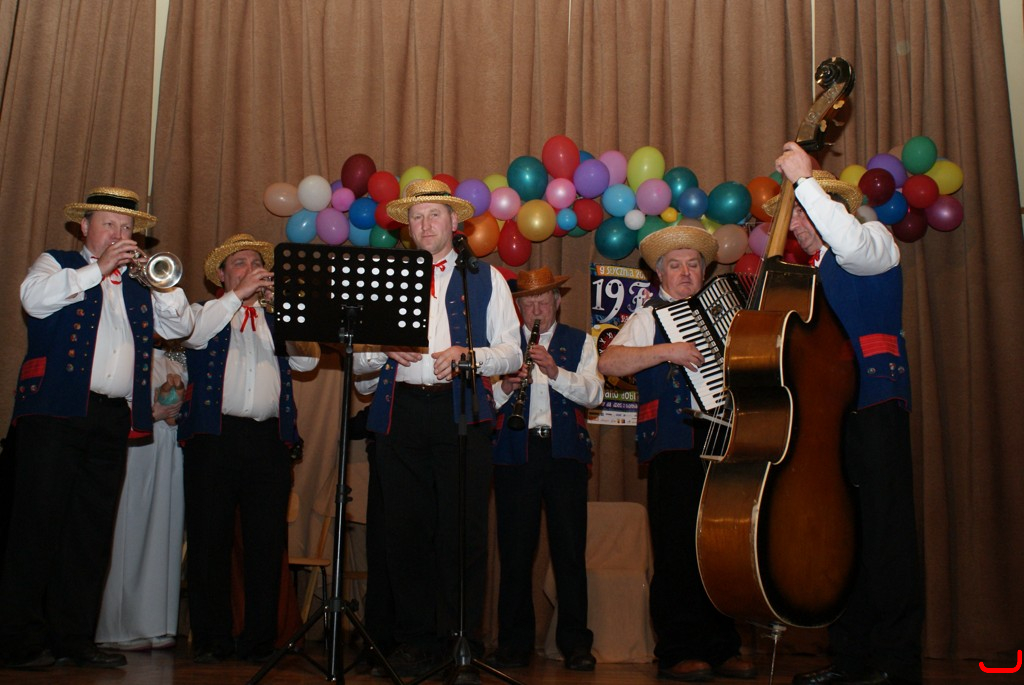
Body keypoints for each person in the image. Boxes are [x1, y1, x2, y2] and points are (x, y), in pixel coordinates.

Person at [0, 187, 195, 670]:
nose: (119, 235)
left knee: (91, 531)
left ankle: (74, 638)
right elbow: (33, 300)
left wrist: (162, 284)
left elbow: (180, 328)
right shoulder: (57, 264)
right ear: (84, 228)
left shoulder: (139, 284)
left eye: (127, 228)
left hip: (110, 417)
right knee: (38, 526)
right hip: (54, 411)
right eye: (109, 224)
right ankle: (18, 640)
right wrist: (98, 269)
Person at [353, 179, 521, 679]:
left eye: (434, 215)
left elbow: (512, 352)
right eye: (417, 217)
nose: (425, 225)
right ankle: (415, 640)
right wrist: (380, 348)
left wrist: (470, 356)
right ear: (408, 227)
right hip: (400, 413)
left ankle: (462, 640)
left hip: (461, 411)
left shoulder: (486, 278)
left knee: (463, 533)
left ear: (454, 223)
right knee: (405, 533)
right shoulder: (384, 278)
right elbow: (357, 366)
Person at [771, 142, 922, 685]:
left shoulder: (876, 241)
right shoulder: (809, 278)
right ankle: (853, 656)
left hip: (876, 407)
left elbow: (850, 243)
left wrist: (805, 181)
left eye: (809, 211)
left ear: (834, 208)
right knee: (845, 536)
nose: (801, 223)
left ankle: (895, 662)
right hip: (830, 420)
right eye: (797, 217)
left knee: (886, 534)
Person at [596, 221, 756, 682]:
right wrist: (667, 350)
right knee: (676, 547)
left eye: (693, 265)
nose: (685, 273)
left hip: (724, 442)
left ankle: (722, 645)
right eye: (675, 266)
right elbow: (609, 361)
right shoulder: (648, 318)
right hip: (674, 441)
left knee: (720, 548)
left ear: (703, 272)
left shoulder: (728, 315)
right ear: (660, 274)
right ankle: (677, 649)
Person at [176, 233, 320, 664]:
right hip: (213, 439)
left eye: (257, 263)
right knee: (209, 541)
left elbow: (308, 361)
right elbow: (192, 335)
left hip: (268, 441)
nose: (251, 269)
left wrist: (286, 313)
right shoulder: (204, 311)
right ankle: (211, 639)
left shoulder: (277, 318)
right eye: (239, 263)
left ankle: (259, 640)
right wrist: (237, 298)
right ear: (222, 276)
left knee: (266, 543)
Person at [488, 267, 603, 672]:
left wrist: (555, 372)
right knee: (515, 552)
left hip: (564, 454)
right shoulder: (502, 345)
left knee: (569, 551)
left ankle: (576, 644)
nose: (536, 309)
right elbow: (482, 402)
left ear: (557, 302)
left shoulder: (580, 341)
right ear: (518, 308)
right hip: (515, 455)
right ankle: (513, 645)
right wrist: (505, 386)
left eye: (543, 301)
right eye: (528, 303)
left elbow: (595, 393)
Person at [95, 340, 187, 652]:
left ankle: (157, 622)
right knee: (129, 530)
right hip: (137, 450)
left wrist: (176, 409)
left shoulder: (177, 360)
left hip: (169, 450)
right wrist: (154, 412)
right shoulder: (128, 355)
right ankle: (118, 627)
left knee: (164, 532)